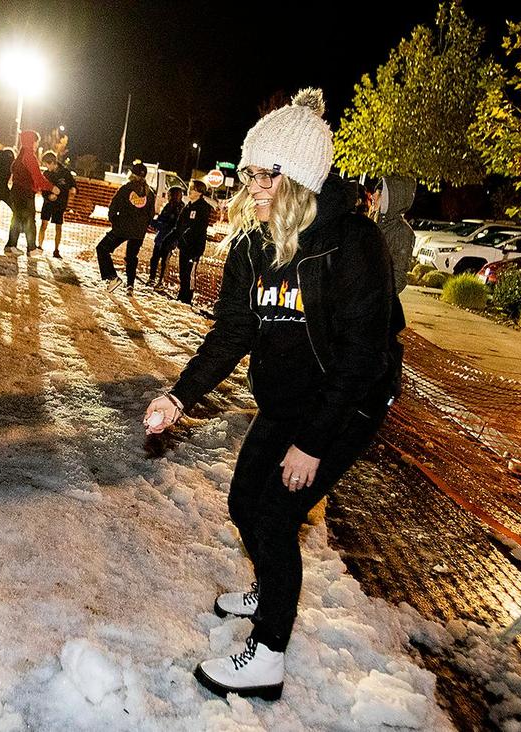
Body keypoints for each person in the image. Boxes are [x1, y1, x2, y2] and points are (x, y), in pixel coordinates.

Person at [143, 89, 404, 701]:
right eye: (251, 173)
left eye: (267, 175)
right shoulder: (252, 244)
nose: (251, 187)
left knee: (278, 515)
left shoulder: (353, 243)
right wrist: (179, 397)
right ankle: (270, 583)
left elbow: (364, 356)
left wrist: (313, 443)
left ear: (302, 179)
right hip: (287, 401)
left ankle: (268, 654)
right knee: (242, 501)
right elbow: (232, 330)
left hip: (346, 405)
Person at [95, 162, 156, 293]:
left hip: (122, 228)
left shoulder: (126, 188)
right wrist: (142, 227)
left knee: (102, 248)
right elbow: (151, 214)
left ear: (132, 174)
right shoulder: (149, 193)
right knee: (131, 257)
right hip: (138, 232)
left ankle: (112, 277)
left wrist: (114, 221)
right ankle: (130, 285)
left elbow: (113, 207)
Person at [6, 129, 58, 254]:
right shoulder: (29, 156)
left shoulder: (21, 155)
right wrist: (52, 187)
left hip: (17, 190)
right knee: (30, 220)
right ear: (31, 141)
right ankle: (31, 248)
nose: (37, 145)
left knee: (17, 218)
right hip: (25, 192)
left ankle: (11, 245)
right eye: (35, 142)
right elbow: (38, 177)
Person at [173, 180, 215, 304]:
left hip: (194, 248)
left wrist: (187, 235)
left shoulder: (203, 207)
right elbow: (179, 225)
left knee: (190, 272)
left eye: (192, 188)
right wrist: (175, 238)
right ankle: (182, 295)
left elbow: (199, 228)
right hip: (184, 246)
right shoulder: (188, 206)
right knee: (182, 272)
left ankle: (187, 298)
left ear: (198, 192)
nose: (189, 191)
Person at [375, 175, 416, 293]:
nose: (374, 196)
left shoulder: (403, 232)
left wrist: (378, 299)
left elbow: (399, 276)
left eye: (379, 193)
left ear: (392, 198)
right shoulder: (377, 222)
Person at [37, 150, 77, 258]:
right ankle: (39, 246)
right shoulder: (46, 174)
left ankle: (56, 250)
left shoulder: (65, 172)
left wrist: (73, 188)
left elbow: (73, 184)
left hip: (60, 205)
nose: (46, 167)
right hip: (48, 204)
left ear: (52, 162)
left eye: (47, 164)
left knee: (58, 227)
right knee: (43, 225)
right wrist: (49, 196)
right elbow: (43, 189)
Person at [146, 186, 185, 286]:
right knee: (155, 258)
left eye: (169, 194)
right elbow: (161, 219)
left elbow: (170, 225)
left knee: (164, 261)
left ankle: (160, 281)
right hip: (160, 238)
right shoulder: (169, 206)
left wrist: (152, 223)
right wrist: (154, 222)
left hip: (168, 239)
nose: (167, 196)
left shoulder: (179, 209)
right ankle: (152, 278)